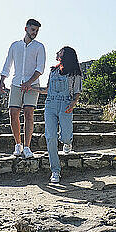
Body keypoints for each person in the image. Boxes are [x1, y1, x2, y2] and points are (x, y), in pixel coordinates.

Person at [0, 19, 46, 158]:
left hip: (32, 85)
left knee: (28, 113)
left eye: (37, 31)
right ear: (26, 29)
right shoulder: (15, 46)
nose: (35, 33)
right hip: (16, 83)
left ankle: (27, 147)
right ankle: (18, 144)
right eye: (33, 30)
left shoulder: (39, 47)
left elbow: (40, 68)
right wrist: (2, 80)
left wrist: (29, 83)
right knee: (13, 113)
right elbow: (8, 63)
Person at [42, 46, 82, 183]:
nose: (57, 53)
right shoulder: (53, 71)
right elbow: (47, 90)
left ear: (66, 55)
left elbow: (77, 91)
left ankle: (68, 142)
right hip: (50, 105)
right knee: (51, 137)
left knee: (65, 136)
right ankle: (55, 171)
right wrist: (31, 88)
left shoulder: (75, 73)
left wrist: (73, 104)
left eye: (60, 51)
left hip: (66, 105)